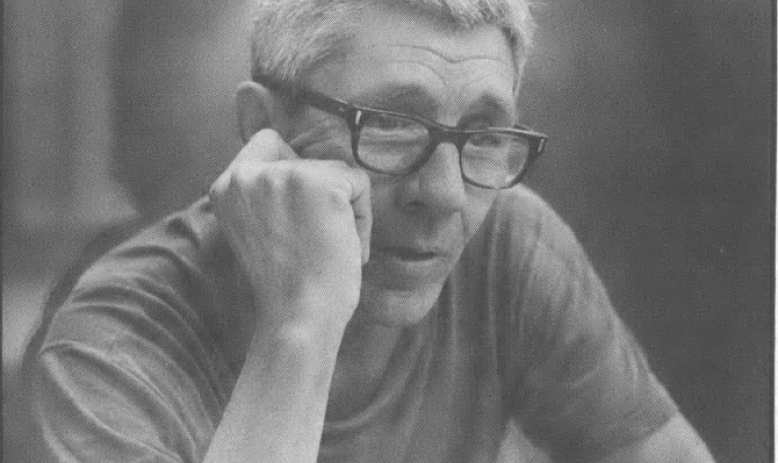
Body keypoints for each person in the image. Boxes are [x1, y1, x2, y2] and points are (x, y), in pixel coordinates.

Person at [27, 1, 716, 462]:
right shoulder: (109, 340)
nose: (445, 194)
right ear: (263, 129)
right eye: (388, 122)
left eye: (481, 134)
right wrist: (298, 324)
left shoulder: (506, 243)